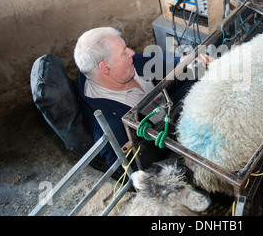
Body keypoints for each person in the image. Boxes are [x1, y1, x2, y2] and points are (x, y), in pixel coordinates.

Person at [74, 27, 182, 173]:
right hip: (164, 142)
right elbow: (131, 169)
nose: (132, 53)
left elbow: (152, 61)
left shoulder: (123, 67)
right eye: (124, 53)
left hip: (171, 108)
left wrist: (182, 61)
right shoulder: (111, 125)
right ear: (105, 68)